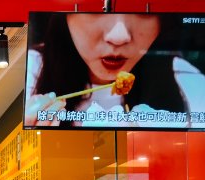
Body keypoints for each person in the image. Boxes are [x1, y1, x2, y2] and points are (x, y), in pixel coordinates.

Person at [25, 13, 205, 128]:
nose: (119, 36)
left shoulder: (190, 85)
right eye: (95, 7)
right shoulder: (31, 74)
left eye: (141, 9)